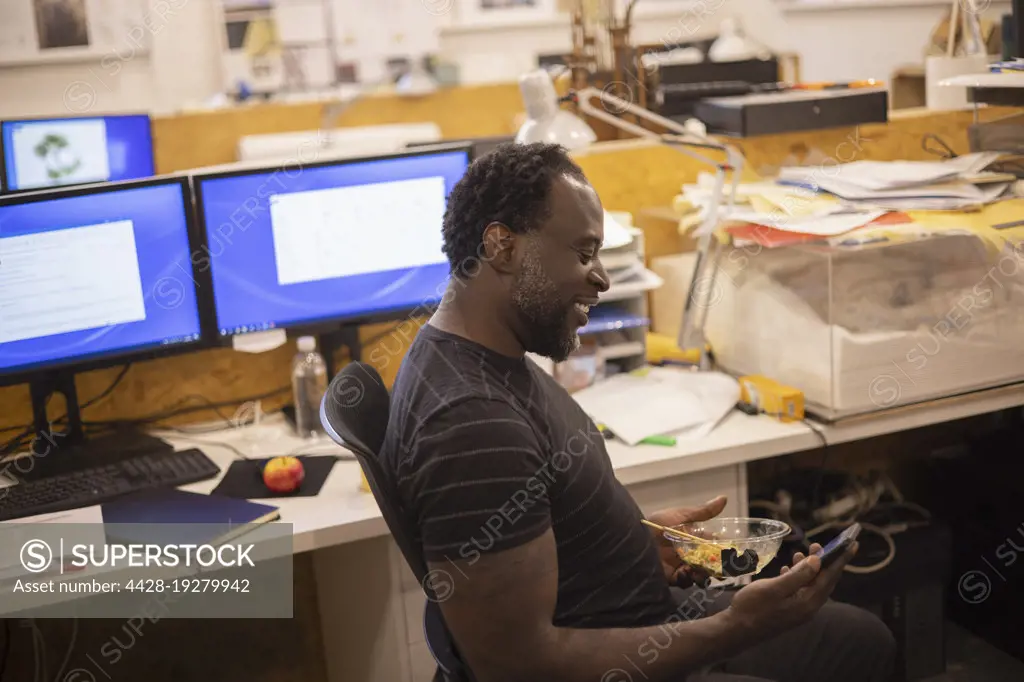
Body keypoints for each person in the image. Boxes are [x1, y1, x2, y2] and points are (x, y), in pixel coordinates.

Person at [381, 142, 896, 682]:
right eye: (583, 253)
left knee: (860, 640)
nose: (602, 278)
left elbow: (543, 515)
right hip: (617, 659)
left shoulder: (485, 353)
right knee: (856, 652)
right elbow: (519, 666)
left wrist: (632, 539)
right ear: (502, 248)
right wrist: (737, 627)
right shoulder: (471, 421)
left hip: (634, 612)